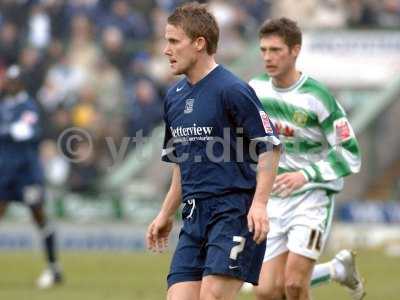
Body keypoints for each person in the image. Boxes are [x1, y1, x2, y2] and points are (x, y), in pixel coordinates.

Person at [145, 2, 281, 300]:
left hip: (233, 212)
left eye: (173, 41)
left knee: (212, 297)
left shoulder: (232, 89)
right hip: (194, 216)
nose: (166, 50)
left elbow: (270, 147)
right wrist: (166, 213)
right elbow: (181, 162)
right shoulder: (174, 98)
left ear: (199, 43)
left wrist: (259, 204)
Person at [248, 17, 365, 300]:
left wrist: (305, 175)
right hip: (273, 198)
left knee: (294, 285)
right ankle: (337, 269)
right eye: (263, 50)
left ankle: (336, 269)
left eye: (275, 50)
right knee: (265, 290)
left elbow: (350, 153)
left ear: (295, 50)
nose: (268, 57)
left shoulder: (317, 96)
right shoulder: (254, 90)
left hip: (312, 197)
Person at [0, 65, 63, 289]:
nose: (11, 84)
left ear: (22, 83)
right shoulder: (5, 106)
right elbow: (14, 131)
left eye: (15, 80)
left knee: (38, 215)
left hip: (27, 174)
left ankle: (54, 268)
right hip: (5, 175)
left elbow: (25, 132)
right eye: (9, 80)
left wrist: (6, 130)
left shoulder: (28, 106)